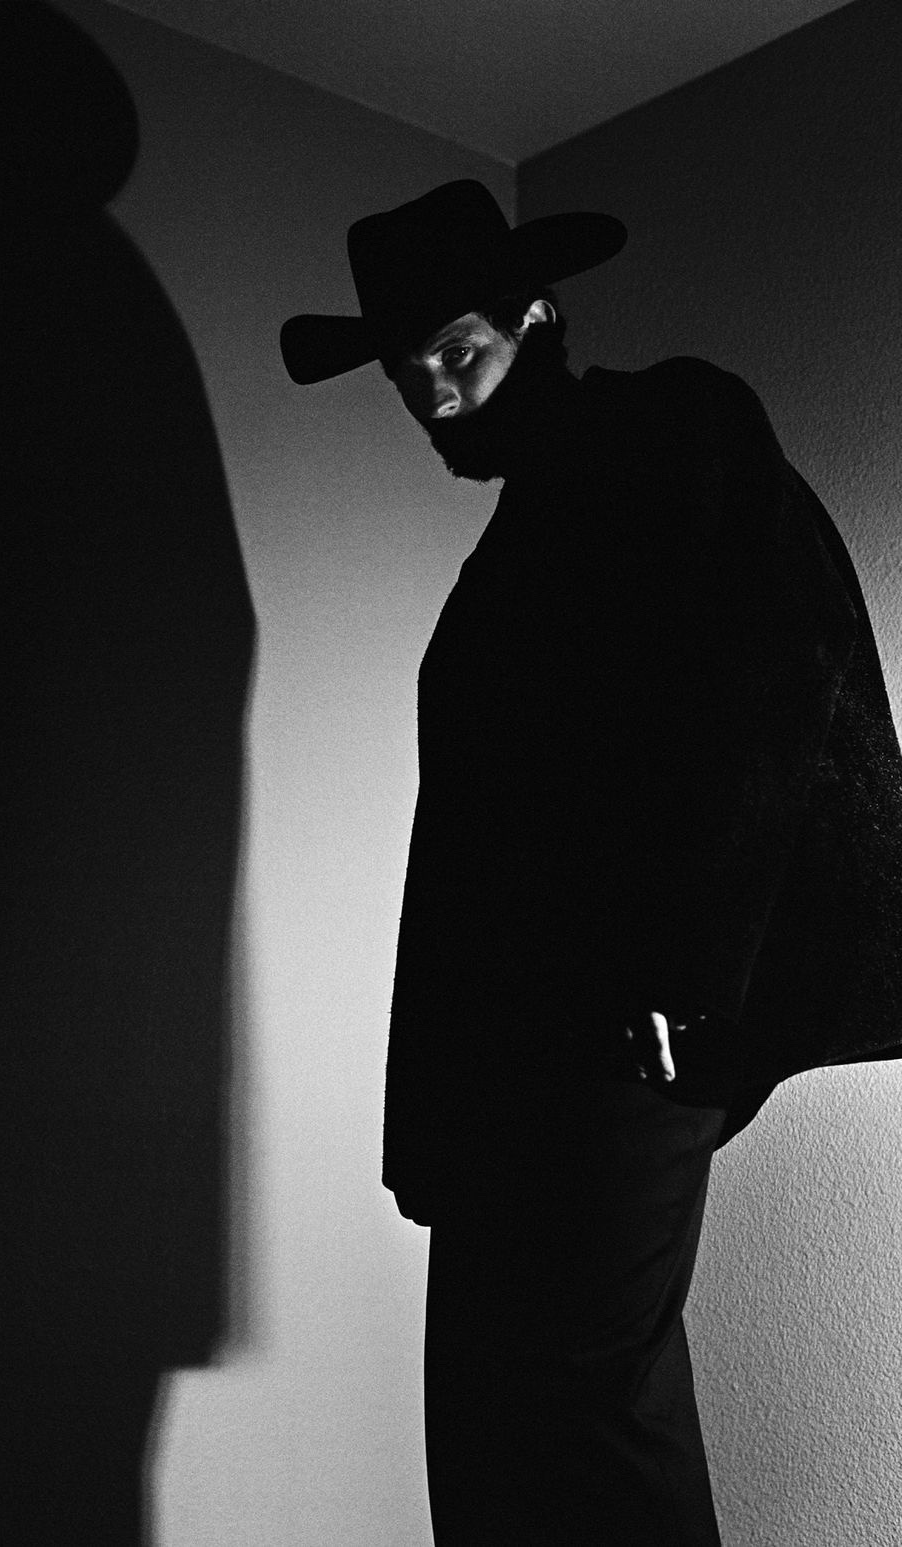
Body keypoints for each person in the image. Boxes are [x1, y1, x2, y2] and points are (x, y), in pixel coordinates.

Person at [281, 180, 902, 1544]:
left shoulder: (670, 424)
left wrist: (687, 985)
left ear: (537, 316)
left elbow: (774, 677)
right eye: (405, 373)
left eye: (457, 351)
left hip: (627, 1041)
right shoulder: (523, 538)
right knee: (492, 1408)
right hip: (514, 1060)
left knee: (590, 1408)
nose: (435, 396)